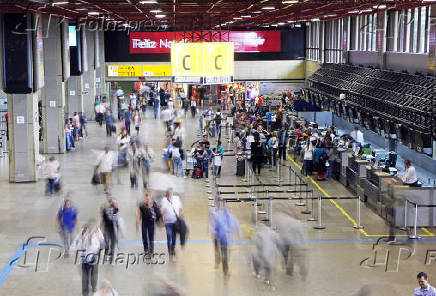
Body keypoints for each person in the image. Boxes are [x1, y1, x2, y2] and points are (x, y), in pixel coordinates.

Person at [70, 219, 104, 296]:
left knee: (94, 273)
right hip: (85, 256)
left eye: (93, 225)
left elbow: (102, 240)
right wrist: (71, 251)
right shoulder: (83, 231)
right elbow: (76, 240)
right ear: (88, 225)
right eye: (90, 225)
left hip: (95, 256)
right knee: (85, 276)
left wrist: (102, 250)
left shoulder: (97, 231)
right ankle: (85, 292)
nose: (92, 227)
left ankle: (94, 286)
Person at [211, 204, 241, 275]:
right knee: (225, 255)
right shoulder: (221, 218)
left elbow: (237, 227)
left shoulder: (231, 218)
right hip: (224, 240)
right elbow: (216, 228)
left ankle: (225, 268)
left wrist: (239, 236)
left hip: (226, 240)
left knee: (226, 255)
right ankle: (225, 270)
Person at [160, 188, 183, 258]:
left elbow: (181, 209)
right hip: (168, 222)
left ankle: (173, 248)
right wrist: (163, 220)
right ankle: (169, 249)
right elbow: (162, 211)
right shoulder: (164, 200)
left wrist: (179, 217)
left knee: (174, 237)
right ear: (166, 194)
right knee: (169, 235)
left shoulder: (176, 199)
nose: (170, 195)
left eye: (171, 193)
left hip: (175, 221)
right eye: (168, 194)